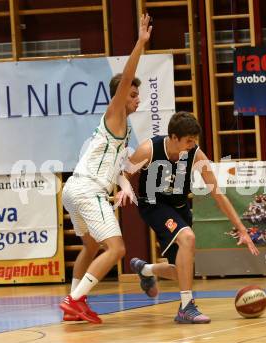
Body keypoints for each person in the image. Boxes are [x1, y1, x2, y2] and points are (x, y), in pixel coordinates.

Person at [118, 111, 260, 324]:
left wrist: (240, 227)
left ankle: (146, 270)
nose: (192, 145)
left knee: (182, 272)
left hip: (180, 208)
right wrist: (125, 187)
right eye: (188, 141)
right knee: (188, 238)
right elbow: (123, 173)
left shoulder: (196, 155)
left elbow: (218, 194)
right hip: (154, 206)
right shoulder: (149, 149)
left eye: (195, 141)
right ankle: (186, 307)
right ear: (174, 138)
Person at [59, 14, 152, 324]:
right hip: (87, 189)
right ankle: (75, 300)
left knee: (90, 245)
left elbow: (119, 167)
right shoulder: (114, 113)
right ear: (121, 94)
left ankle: (74, 305)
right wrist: (140, 42)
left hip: (74, 189)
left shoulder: (122, 130)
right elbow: (126, 76)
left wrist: (124, 185)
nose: (137, 99)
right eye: (134, 94)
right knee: (117, 249)